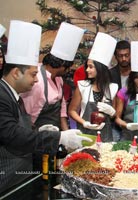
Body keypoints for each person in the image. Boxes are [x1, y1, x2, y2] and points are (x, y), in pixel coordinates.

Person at [0, 20, 91, 194]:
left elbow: (21, 125)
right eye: (33, 74)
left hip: (19, 177)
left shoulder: (13, 94)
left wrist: (38, 129)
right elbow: (12, 135)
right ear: (16, 72)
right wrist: (58, 138)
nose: (36, 80)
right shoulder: (2, 95)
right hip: (7, 181)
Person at [20, 22, 84, 131]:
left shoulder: (58, 79)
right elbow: (27, 115)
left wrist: (66, 133)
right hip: (36, 135)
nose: (68, 71)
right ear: (61, 66)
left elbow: (62, 109)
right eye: (68, 67)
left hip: (54, 135)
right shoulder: (37, 82)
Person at [68, 32, 118, 142]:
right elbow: (72, 110)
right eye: (87, 66)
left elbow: (115, 116)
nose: (87, 70)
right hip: (86, 133)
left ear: (100, 69)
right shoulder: (82, 86)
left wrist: (112, 112)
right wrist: (84, 123)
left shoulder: (112, 88)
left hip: (105, 136)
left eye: (91, 67)